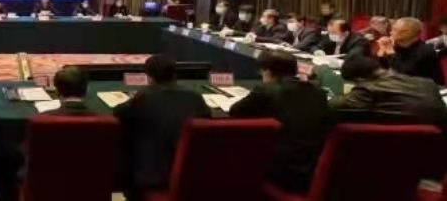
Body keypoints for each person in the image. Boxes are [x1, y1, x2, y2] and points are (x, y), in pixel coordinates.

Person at [229, 51, 332, 194]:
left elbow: (235, 112)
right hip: (312, 166)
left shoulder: (267, 90)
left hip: (278, 168)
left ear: (267, 71)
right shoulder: (318, 92)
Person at [114, 54, 211, 198]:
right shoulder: (195, 97)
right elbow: (207, 119)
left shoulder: (144, 96)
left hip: (153, 176)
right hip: (189, 172)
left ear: (149, 76)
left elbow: (119, 113)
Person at [331, 55, 447, 129]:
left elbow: (333, 106)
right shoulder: (428, 83)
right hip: (437, 148)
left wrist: (345, 93)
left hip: (392, 145)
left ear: (360, 80)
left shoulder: (367, 89)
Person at [377, 17, 444, 85]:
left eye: (395, 30)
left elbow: (404, 73)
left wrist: (390, 52)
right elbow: (380, 69)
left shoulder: (425, 50)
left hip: (424, 88)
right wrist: (382, 50)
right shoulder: (397, 47)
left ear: (408, 32)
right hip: (402, 86)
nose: (390, 33)